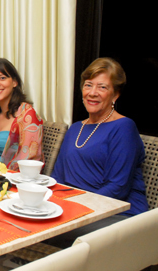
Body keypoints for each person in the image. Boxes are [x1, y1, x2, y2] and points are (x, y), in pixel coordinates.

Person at [45, 58, 149, 249]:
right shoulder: (76, 129)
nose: (92, 93)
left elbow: (117, 188)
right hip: (77, 207)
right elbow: (57, 178)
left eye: (102, 87)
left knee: (55, 231)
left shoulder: (124, 127)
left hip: (117, 213)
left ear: (115, 95)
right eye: (88, 85)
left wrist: (75, 208)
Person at [0, 58, 44, 171]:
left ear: (14, 82)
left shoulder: (27, 114)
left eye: (2, 78)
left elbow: (29, 158)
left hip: (10, 179)